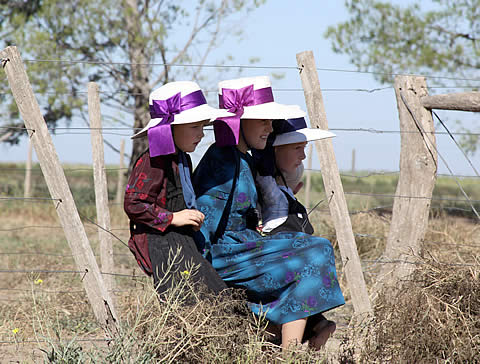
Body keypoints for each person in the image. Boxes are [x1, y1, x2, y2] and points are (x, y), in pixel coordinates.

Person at [193, 76, 345, 350]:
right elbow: (204, 221)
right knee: (314, 251)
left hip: (245, 245)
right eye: (263, 120)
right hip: (226, 254)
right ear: (239, 121)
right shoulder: (222, 160)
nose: (269, 128)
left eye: (270, 121)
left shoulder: (243, 159)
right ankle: (294, 346)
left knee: (316, 249)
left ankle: (291, 347)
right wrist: (200, 274)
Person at [124, 81, 231, 296]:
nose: (201, 134)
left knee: (211, 295)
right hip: (161, 243)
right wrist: (172, 218)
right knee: (192, 299)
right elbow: (133, 203)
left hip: (180, 239)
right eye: (194, 127)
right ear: (170, 127)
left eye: (202, 127)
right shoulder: (153, 161)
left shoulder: (182, 159)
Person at [253, 117, 335, 235]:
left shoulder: (280, 188)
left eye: (304, 147)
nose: (303, 156)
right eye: (297, 148)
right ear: (274, 150)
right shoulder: (260, 188)